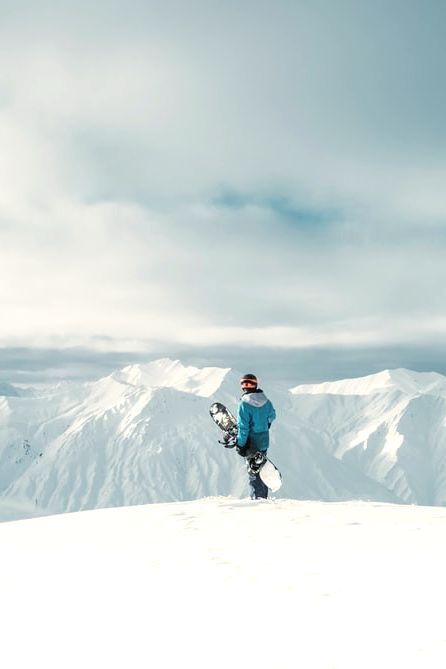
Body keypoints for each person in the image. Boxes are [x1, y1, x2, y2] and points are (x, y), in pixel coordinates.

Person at [236, 373, 276, 499]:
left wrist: (240, 444)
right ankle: (262, 497)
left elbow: (243, 427)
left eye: (247, 383)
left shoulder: (244, 404)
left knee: (253, 472)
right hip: (264, 441)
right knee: (262, 469)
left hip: (250, 444)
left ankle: (257, 501)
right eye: (245, 383)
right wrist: (266, 424)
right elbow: (272, 416)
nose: (246, 386)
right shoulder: (266, 402)